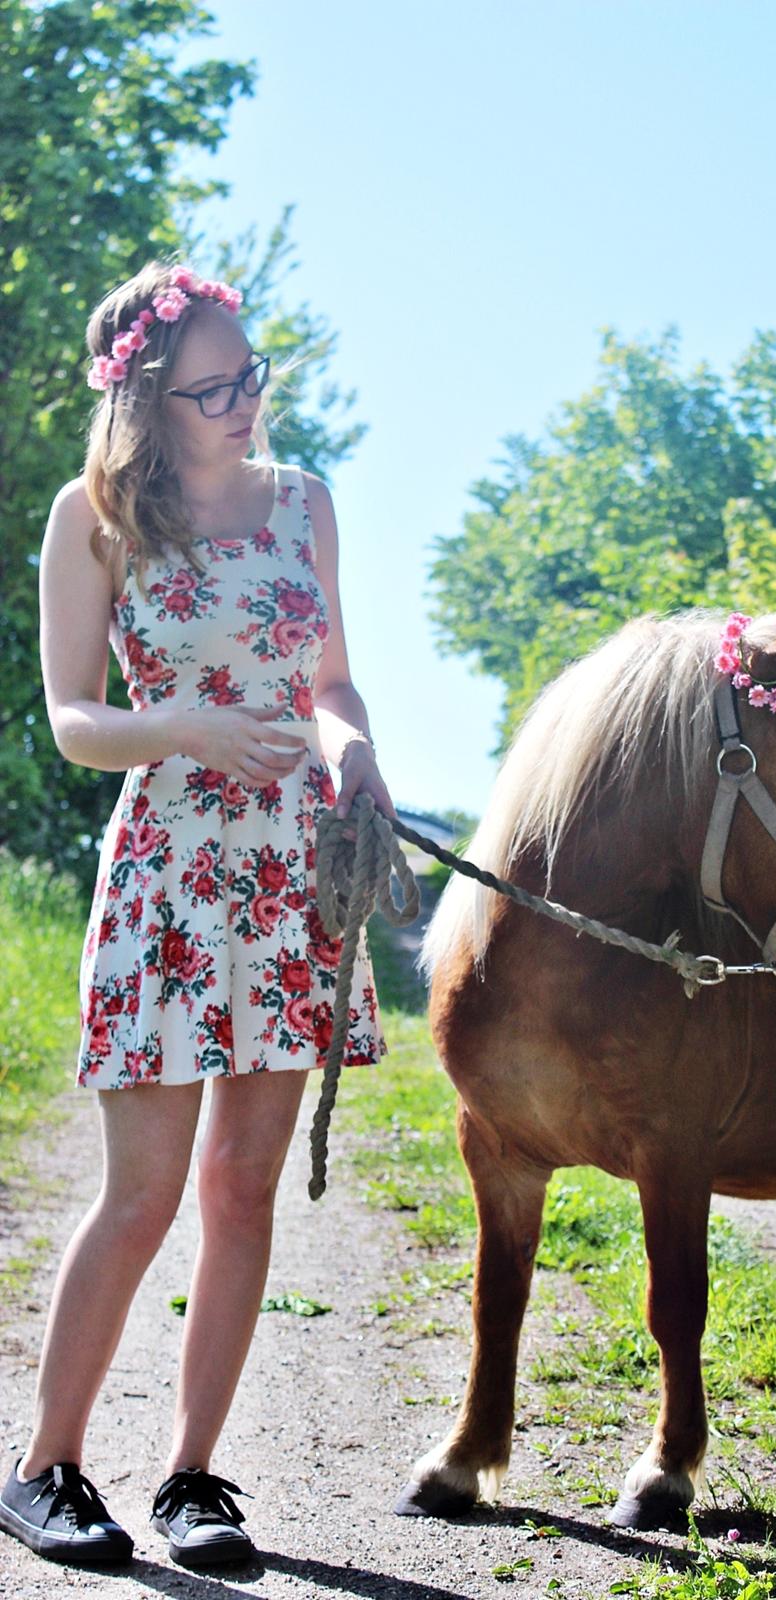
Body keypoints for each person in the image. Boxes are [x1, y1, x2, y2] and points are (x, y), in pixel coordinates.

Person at [0, 260, 393, 1569]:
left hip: (292, 880)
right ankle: (45, 1465)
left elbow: (332, 680)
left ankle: (195, 1481)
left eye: (251, 378)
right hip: (167, 874)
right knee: (147, 1190)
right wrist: (193, 728)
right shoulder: (93, 516)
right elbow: (72, 720)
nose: (243, 404)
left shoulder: (306, 505)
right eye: (211, 388)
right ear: (146, 399)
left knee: (241, 1191)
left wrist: (354, 757)